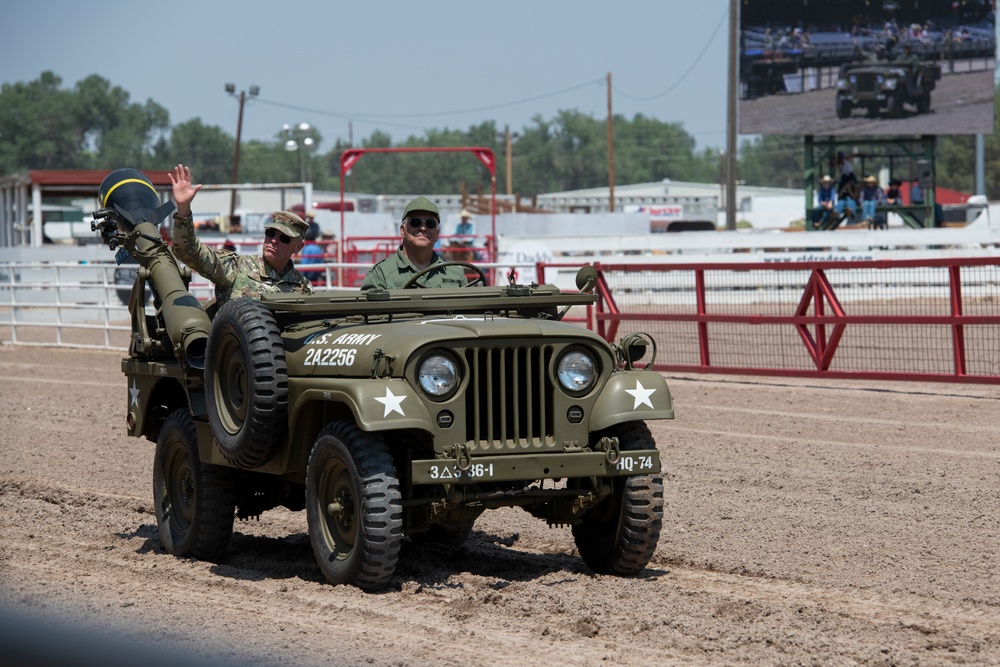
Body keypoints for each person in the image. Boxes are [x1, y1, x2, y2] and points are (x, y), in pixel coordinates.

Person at [168, 164, 313, 305]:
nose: (274, 241)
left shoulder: (303, 287)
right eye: (270, 233)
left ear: (298, 247)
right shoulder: (236, 268)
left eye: (284, 238)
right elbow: (189, 252)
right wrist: (183, 209)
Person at [361, 196, 470, 290]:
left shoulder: (455, 275)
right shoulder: (381, 275)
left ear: (437, 234)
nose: (423, 228)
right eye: (415, 222)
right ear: (402, 230)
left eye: (430, 224)